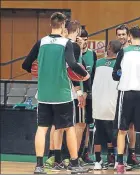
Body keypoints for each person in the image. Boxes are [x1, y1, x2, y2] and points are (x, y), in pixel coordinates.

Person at [22, 12, 90, 174]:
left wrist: (40, 73)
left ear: (51, 24)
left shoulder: (41, 42)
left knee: (42, 128)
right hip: (62, 94)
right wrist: (85, 75)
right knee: (69, 128)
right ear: (63, 24)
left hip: (44, 93)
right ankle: (74, 163)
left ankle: (39, 165)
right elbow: (72, 64)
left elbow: (26, 64)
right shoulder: (66, 43)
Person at [112, 26, 140, 174]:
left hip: (126, 92)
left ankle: (120, 164)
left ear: (129, 36)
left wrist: (122, 74)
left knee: (122, 129)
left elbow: (115, 74)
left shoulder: (123, 52)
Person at [92, 40, 122, 170]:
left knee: (98, 134)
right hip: (112, 103)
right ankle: (116, 161)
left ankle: (98, 161)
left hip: (98, 103)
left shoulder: (98, 63)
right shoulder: (120, 65)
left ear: (109, 48)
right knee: (114, 134)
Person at [114, 24, 139, 168]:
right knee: (122, 126)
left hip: (136, 91)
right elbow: (116, 73)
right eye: (119, 35)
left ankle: (132, 154)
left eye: (124, 34)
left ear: (129, 35)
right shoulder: (119, 51)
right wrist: (121, 75)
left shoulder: (133, 51)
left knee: (132, 126)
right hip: (122, 91)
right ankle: (120, 158)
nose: (122, 37)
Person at [76, 26, 97, 165]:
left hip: (89, 95)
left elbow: (94, 74)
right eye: (81, 38)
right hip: (78, 95)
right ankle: (75, 154)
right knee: (78, 125)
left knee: (88, 125)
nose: (83, 41)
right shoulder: (73, 53)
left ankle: (85, 153)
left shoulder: (92, 54)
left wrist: (90, 92)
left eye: (85, 39)